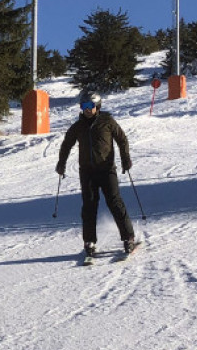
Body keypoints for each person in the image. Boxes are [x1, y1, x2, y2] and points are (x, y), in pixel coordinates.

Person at [55, 91, 137, 260]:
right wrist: (61, 163)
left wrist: (125, 158)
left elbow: (122, 139)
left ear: (97, 107)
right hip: (87, 172)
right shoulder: (78, 126)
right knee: (89, 206)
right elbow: (66, 144)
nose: (87, 110)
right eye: (84, 107)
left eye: (90, 106)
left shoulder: (107, 121)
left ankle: (128, 237)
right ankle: (89, 241)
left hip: (107, 170)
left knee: (115, 203)